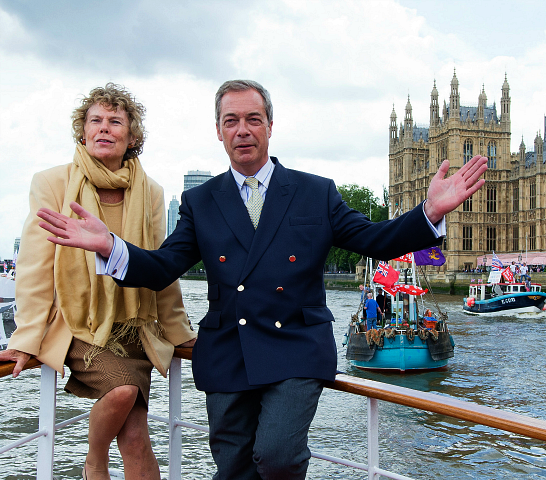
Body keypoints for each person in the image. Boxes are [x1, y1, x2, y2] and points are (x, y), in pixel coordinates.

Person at [36, 79, 488, 480]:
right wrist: (110, 246)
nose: (242, 129)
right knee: (232, 467)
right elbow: (163, 267)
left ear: (270, 125)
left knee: (278, 458)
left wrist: (428, 213)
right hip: (229, 352)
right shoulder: (201, 201)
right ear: (218, 131)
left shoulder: (316, 191)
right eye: (230, 120)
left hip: (295, 347)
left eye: (253, 118)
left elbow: (374, 239)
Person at [0, 83, 196, 480]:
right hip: (77, 326)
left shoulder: (152, 192)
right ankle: (94, 461)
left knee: (137, 437)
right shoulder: (53, 183)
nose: (104, 128)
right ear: (83, 131)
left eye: (115, 121)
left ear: (132, 135)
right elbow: (36, 266)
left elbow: (160, 268)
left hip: (133, 328)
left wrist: (179, 332)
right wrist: (25, 338)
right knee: (123, 391)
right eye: (95, 120)